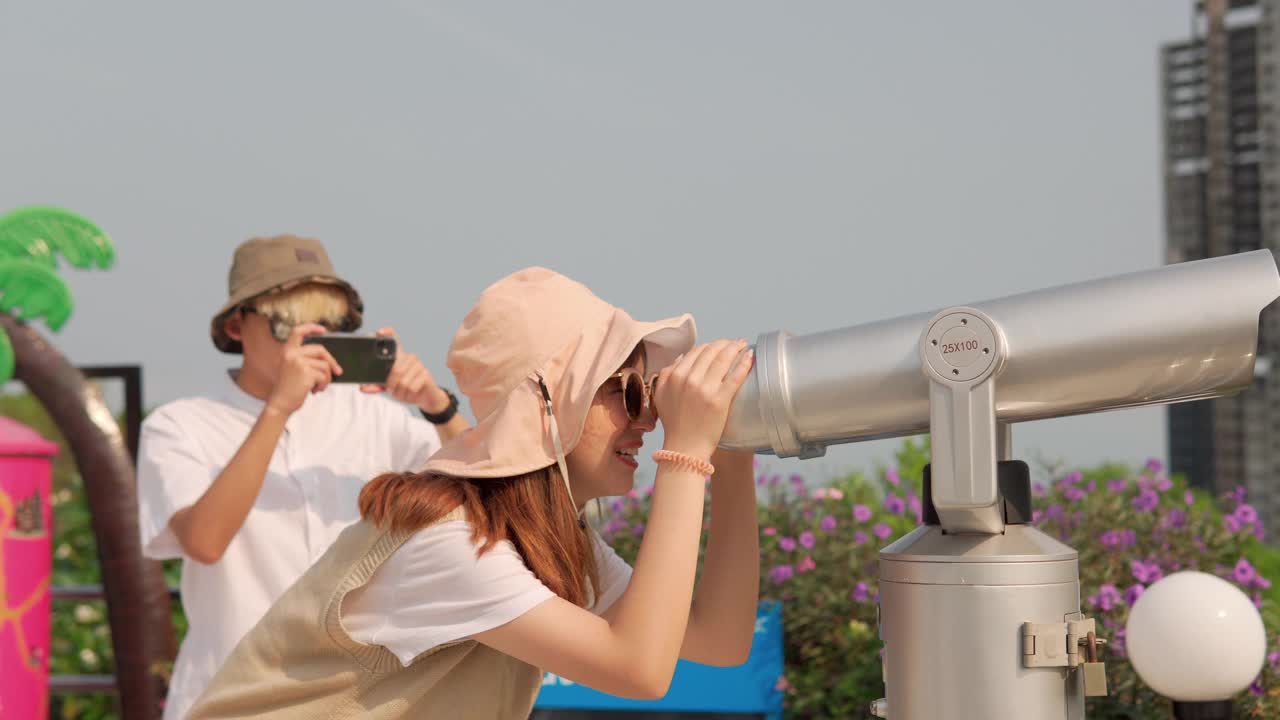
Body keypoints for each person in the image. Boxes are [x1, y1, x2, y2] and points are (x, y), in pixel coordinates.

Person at [186, 266, 761, 719]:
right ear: (548, 403)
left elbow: (720, 640)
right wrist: (685, 453)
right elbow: (639, 670)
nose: (646, 418)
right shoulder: (454, 543)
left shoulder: (544, 536)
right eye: (626, 391)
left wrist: (731, 453)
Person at [136, 235, 469, 720]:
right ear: (237, 326)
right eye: (286, 322)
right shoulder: (180, 424)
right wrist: (279, 409)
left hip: (357, 698)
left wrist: (438, 406)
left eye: (329, 325)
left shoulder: (376, 417)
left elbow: (490, 489)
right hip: (229, 696)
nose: (308, 342)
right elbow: (205, 541)